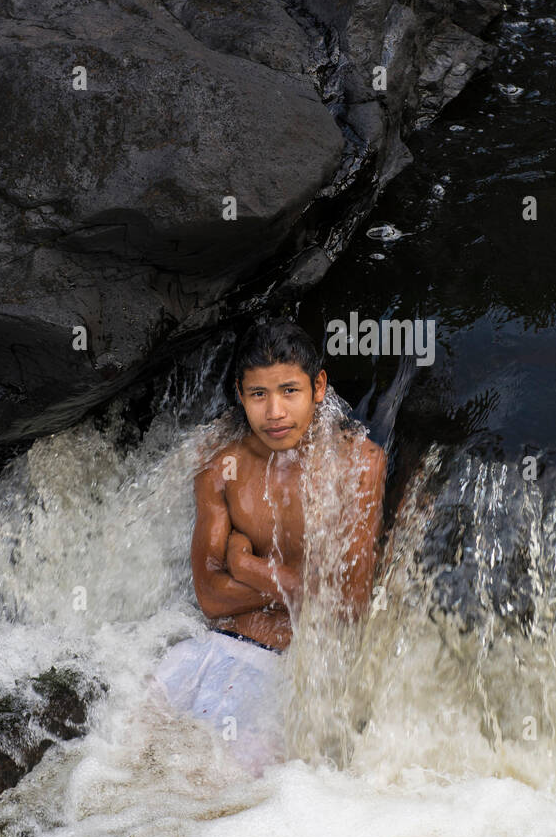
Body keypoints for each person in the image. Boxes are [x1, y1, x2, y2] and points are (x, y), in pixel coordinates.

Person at [153, 319, 386, 771]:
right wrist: (295, 584)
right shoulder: (222, 468)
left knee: (221, 798)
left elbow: (348, 603)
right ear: (241, 396)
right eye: (259, 395)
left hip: (288, 670)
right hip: (207, 651)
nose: (275, 412)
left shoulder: (359, 463)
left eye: (289, 391)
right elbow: (210, 598)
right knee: (117, 763)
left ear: (318, 387)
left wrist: (246, 566)